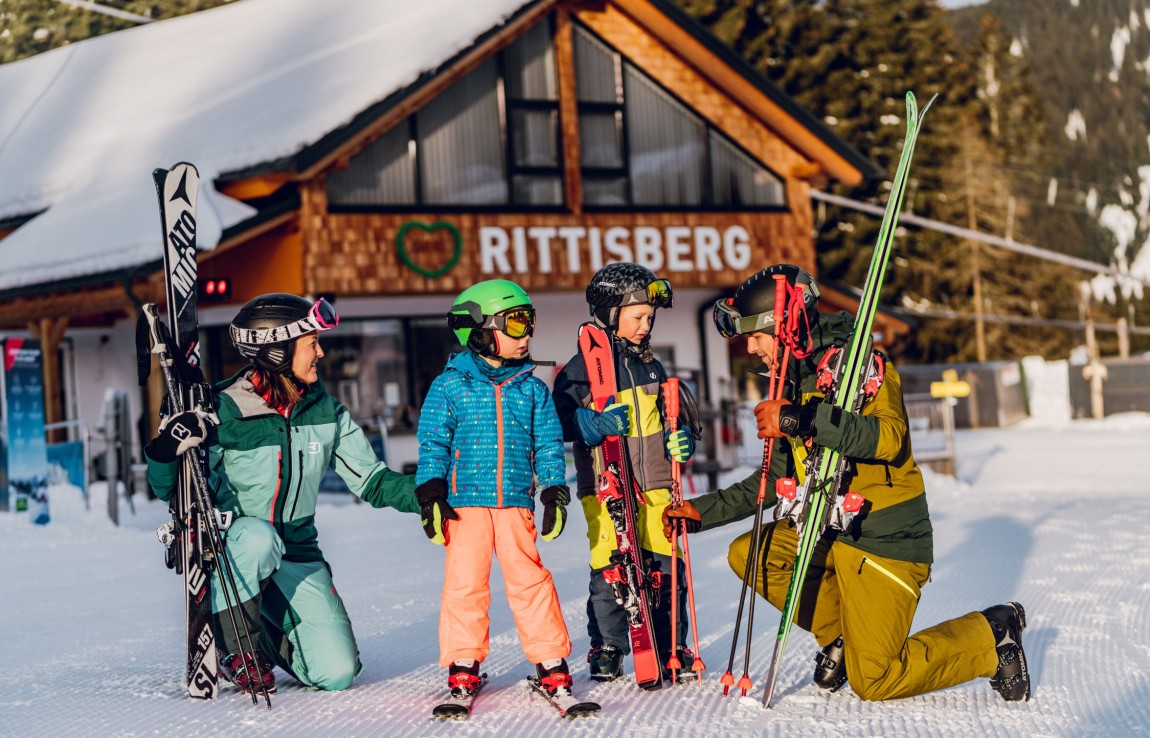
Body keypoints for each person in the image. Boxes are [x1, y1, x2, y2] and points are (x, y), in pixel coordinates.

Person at [663, 264, 1030, 702]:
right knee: (752, 553)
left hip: (885, 538)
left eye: (756, 335)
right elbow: (775, 475)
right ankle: (841, 637)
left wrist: (803, 420)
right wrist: (701, 513)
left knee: (874, 680)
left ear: (784, 327)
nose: (751, 347)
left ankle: (992, 637)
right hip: (829, 528)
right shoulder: (793, 384)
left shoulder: (862, 367)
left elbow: (888, 439)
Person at [145, 293, 418, 695]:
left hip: (297, 551)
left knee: (338, 672)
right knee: (258, 538)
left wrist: (428, 494)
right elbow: (171, 490)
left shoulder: (326, 411)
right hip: (236, 547)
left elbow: (373, 481)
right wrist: (167, 449)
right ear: (277, 351)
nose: (321, 353)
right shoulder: (221, 409)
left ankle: (263, 638)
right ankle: (234, 648)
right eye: (312, 344)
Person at [415, 279, 577, 702]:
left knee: (530, 582)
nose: (528, 334)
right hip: (464, 506)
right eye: (517, 323)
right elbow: (433, 443)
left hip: (514, 504)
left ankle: (551, 662)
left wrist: (553, 489)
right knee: (465, 584)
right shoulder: (449, 386)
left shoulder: (532, 389)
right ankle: (463, 663)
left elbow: (547, 445)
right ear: (480, 331)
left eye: (530, 321)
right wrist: (431, 492)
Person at [552, 262, 700, 684]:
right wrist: (589, 425)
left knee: (667, 561)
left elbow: (674, 418)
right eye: (638, 317)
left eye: (650, 318)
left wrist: (681, 440)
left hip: (655, 480)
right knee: (610, 563)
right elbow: (557, 421)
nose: (645, 325)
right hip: (604, 484)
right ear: (609, 314)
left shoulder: (652, 367)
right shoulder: (578, 371)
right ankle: (609, 645)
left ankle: (673, 644)